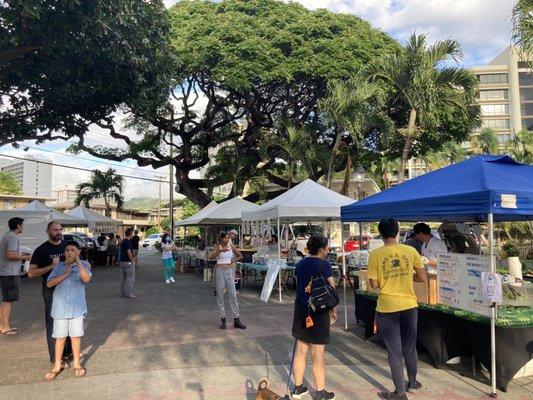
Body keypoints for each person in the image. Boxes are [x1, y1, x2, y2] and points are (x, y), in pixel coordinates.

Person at [368, 219, 427, 400]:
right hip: (409, 305)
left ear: (380, 232)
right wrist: (407, 278)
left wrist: (386, 280)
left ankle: (400, 394)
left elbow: (374, 283)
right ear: (397, 231)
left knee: (394, 351)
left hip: (387, 307)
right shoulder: (410, 251)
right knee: (410, 346)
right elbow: (422, 277)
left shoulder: (376, 255)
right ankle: (414, 381)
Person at [291, 235, 336, 400]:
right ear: (322, 248)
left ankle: (297, 388)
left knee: (301, 350)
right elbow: (332, 288)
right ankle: (321, 392)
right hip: (319, 312)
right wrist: (334, 310)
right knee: (318, 354)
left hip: (302, 310)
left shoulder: (301, 263)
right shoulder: (325, 265)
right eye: (327, 247)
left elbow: (298, 284)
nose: (328, 250)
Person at [44, 240, 92, 381]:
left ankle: (77, 363)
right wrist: (65, 273)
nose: (70, 252)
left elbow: (86, 279)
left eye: (73, 250)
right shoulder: (59, 267)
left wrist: (78, 261)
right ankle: (57, 365)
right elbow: (49, 283)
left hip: (77, 309)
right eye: (67, 250)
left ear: (78, 252)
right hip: (59, 310)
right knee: (60, 337)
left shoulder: (85, 265)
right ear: (64, 253)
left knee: (76, 336)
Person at [29, 221, 74, 367]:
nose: (58, 232)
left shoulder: (67, 246)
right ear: (47, 231)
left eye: (60, 229)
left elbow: (76, 260)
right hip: (51, 292)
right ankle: (56, 358)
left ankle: (67, 353)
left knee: (69, 322)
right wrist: (51, 266)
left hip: (69, 291)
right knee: (53, 325)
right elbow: (31, 273)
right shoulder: (42, 250)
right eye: (55, 230)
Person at [0, 217, 32, 335]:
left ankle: (3, 325)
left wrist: (20, 254)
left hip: (6, 272)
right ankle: (5, 327)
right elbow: (10, 255)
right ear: (18, 226)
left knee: (6, 300)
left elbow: (11, 254)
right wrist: (26, 257)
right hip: (10, 273)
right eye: (22, 225)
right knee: (8, 300)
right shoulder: (12, 237)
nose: (23, 227)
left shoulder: (7, 235)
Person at [208, 232, 246, 330]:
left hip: (229, 271)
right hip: (219, 271)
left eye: (228, 238)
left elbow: (240, 255)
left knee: (233, 294)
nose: (227, 239)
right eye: (226, 238)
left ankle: (236, 319)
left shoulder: (231, 246)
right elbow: (210, 257)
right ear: (221, 239)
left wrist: (232, 261)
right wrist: (220, 251)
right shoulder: (217, 246)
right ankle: (223, 319)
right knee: (220, 295)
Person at [119, 228, 136, 298]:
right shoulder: (128, 241)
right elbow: (129, 252)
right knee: (130, 278)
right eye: (132, 233)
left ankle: (122, 293)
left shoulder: (123, 241)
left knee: (123, 278)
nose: (133, 234)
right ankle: (128, 294)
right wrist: (132, 261)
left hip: (122, 262)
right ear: (130, 233)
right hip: (128, 262)